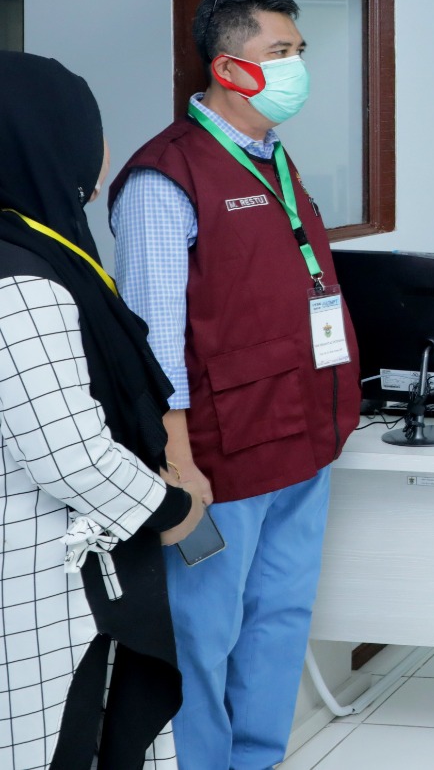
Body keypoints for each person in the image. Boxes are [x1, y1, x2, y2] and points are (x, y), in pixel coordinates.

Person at [108, 0, 362, 770]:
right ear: (229, 68)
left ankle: (258, 758)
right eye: (279, 53)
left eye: (298, 52)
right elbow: (153, 339)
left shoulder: (273, 157)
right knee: (203, 632)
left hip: (302, 438)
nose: (296, 67)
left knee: (280, 617)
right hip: (221, 457)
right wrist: (177, 463)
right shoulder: (165, 176)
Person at [0, 51, 204, 767]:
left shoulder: (40, 253)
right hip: (40, 576)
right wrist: (170, 506)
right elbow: (69, 454)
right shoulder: (23, 282)